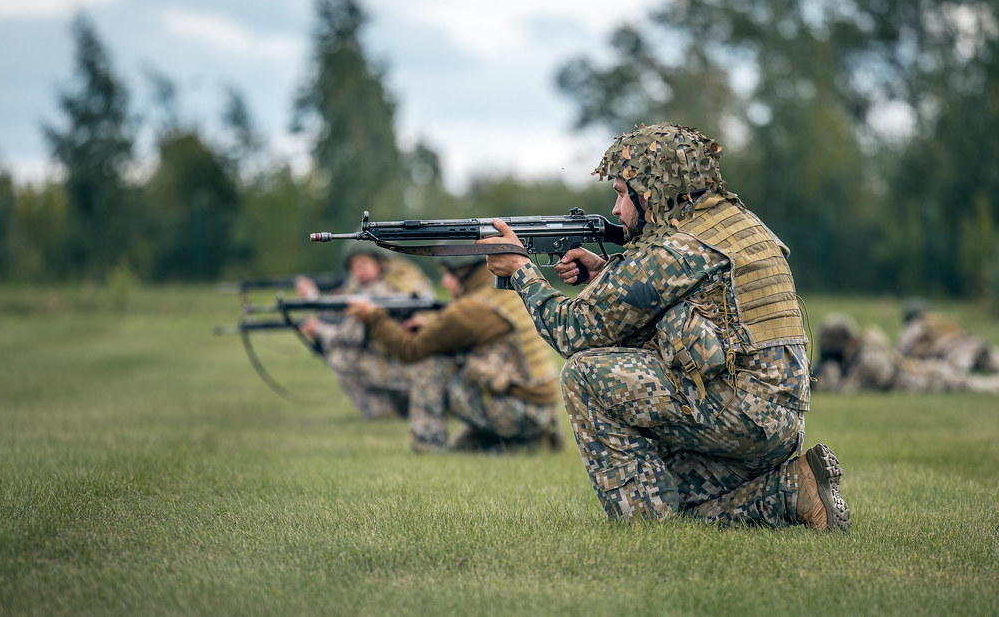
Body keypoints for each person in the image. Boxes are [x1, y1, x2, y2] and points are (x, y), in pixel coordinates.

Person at [478, 122, 849, 530]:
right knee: (684, 506)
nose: (617, 210)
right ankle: (794, 491)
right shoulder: (737, 227)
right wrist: (606, 274)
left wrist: (521, 271)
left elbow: (572, 330)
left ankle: (645, 527)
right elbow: (688, 309)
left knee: (584, 375)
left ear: (653, 190)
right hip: (776, 425)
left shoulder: (679, 246)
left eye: (622, 193)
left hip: (742, 415)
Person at [344, 254, 564, 453]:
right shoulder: (504, 295)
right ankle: (529, 442)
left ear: (464, 273)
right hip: (541, 411)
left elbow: (409, 351)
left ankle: (427, 446)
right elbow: (468, 337)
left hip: (518, 413)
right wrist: (428, 326)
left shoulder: (469, 310)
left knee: (428, 362)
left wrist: (373, 317)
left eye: (448, 274)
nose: (445, 282)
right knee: (463, 449)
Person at [294, 242, 435, 419]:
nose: (358, 270)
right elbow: (339, 312)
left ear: (380, 262)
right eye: (353, 266)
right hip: (413, 368)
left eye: (363, 263)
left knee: (340, 356)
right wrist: (314, 300)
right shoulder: (404, 283)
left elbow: (350, 334)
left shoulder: (378, 290)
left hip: (403, 370)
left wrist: (319, 331)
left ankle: (381, 412)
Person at [814, 312, 999, 393]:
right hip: (928, 375)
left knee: (983, 387)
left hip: (931, 378)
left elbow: (851, 389)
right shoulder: (859, 354)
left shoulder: (869, 356)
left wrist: (827, 378)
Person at [896, 299, 999, 375]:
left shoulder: (915, 326)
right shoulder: (942, 320)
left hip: (953, 353)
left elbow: (902, 350)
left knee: (960, 374)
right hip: (974, 344)